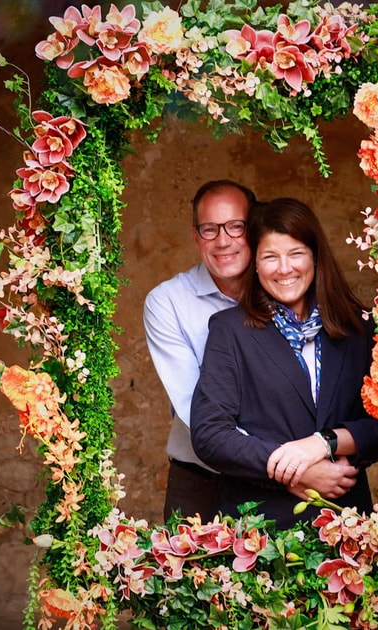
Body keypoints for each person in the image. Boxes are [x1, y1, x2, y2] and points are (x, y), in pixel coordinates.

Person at [190, 198, 378, 529]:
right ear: (255, 263)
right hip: (259, 532)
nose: (284, 268)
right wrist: (293, 469)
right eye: (270, 257)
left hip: (348, 529)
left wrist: (323, 442)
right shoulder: (229, 330)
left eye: (295, 253)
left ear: (315, 256)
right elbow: (210, 434)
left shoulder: (358, 327)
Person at [144, 180, 256, 523]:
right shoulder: (167, 302)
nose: (223, 241)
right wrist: (281, 460)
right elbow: (196, 408)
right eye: (210, 229)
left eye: (236, 226)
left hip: (285, 477)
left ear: (255, 229)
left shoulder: (283, 288)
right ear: (196, 238)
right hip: (201, 482)